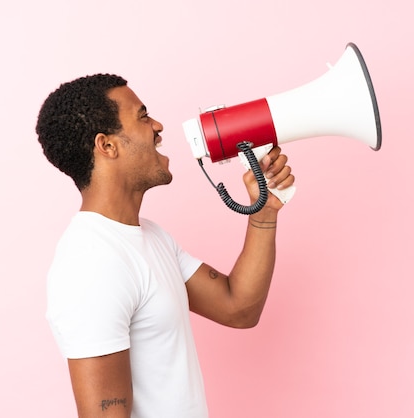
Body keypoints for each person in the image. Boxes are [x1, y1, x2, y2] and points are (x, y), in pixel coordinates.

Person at [36, 74, 295, 418]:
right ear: (107, 145)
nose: (157, 125)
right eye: (143, 117)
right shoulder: (91, 263)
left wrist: (262, 215)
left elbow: (238, 307)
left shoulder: (150, 236)